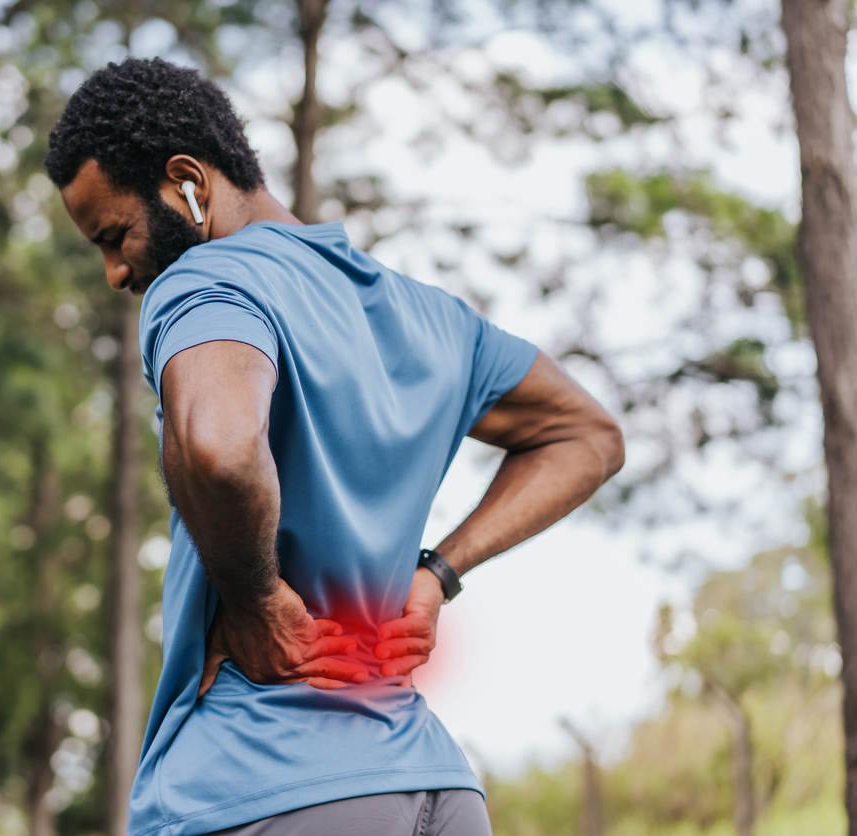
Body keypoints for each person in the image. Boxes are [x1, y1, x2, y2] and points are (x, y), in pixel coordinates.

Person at [45, 57, 624, 836]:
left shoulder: (207, 281)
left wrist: (255, 598)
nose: (117, 272)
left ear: (190, 183)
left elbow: (218, 448)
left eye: (115, 236)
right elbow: (588, 435)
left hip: (263, 778)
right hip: (437, 787)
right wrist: (437, 574)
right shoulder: (432, 318)